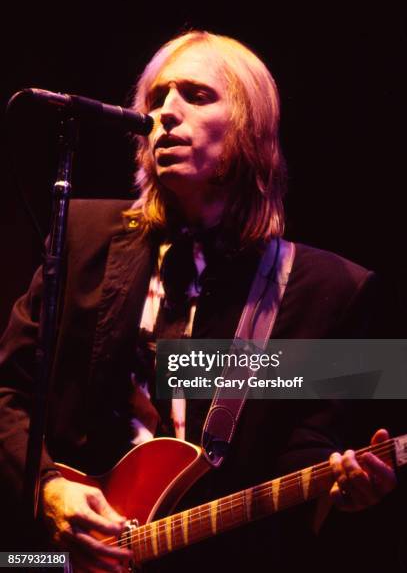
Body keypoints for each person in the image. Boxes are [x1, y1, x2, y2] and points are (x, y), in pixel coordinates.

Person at [0, 31, 397, 572]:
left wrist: (342, 488)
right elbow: (8, 391)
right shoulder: (79, 238)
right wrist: (48, 489)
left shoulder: (334, 287)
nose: (166, 113)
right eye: (157, 98)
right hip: (51, 558)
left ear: (251, 126)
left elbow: (310, 446)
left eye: (197, 95)